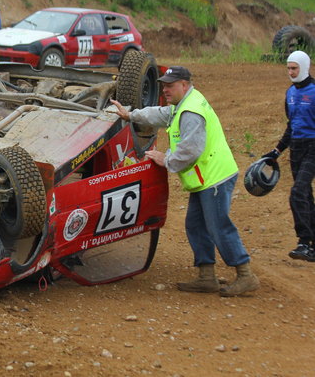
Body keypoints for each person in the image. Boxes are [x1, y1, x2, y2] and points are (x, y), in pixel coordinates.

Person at [110, 66, 259, 297]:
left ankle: (245, 274)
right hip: (205, 179)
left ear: (185, 85)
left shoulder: (190, 112)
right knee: (195, 225)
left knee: (219, 226)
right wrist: (131, 115)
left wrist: (165, 158)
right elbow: (160, 114)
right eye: (164, 85)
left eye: (170, 85)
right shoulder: (182, 106)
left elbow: (191, 150)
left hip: (215, 177)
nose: (165, 89)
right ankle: (207, 277)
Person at [262, 51, 315, 261]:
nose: (291, 72)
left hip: (313, 147)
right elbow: (291, 126)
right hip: (296, 149)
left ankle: (304, 241)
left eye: (294, 68)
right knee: (306, 196)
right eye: (289, 69)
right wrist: (276, 151)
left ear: (305, 67)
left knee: (298, 192)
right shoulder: (290, 93)